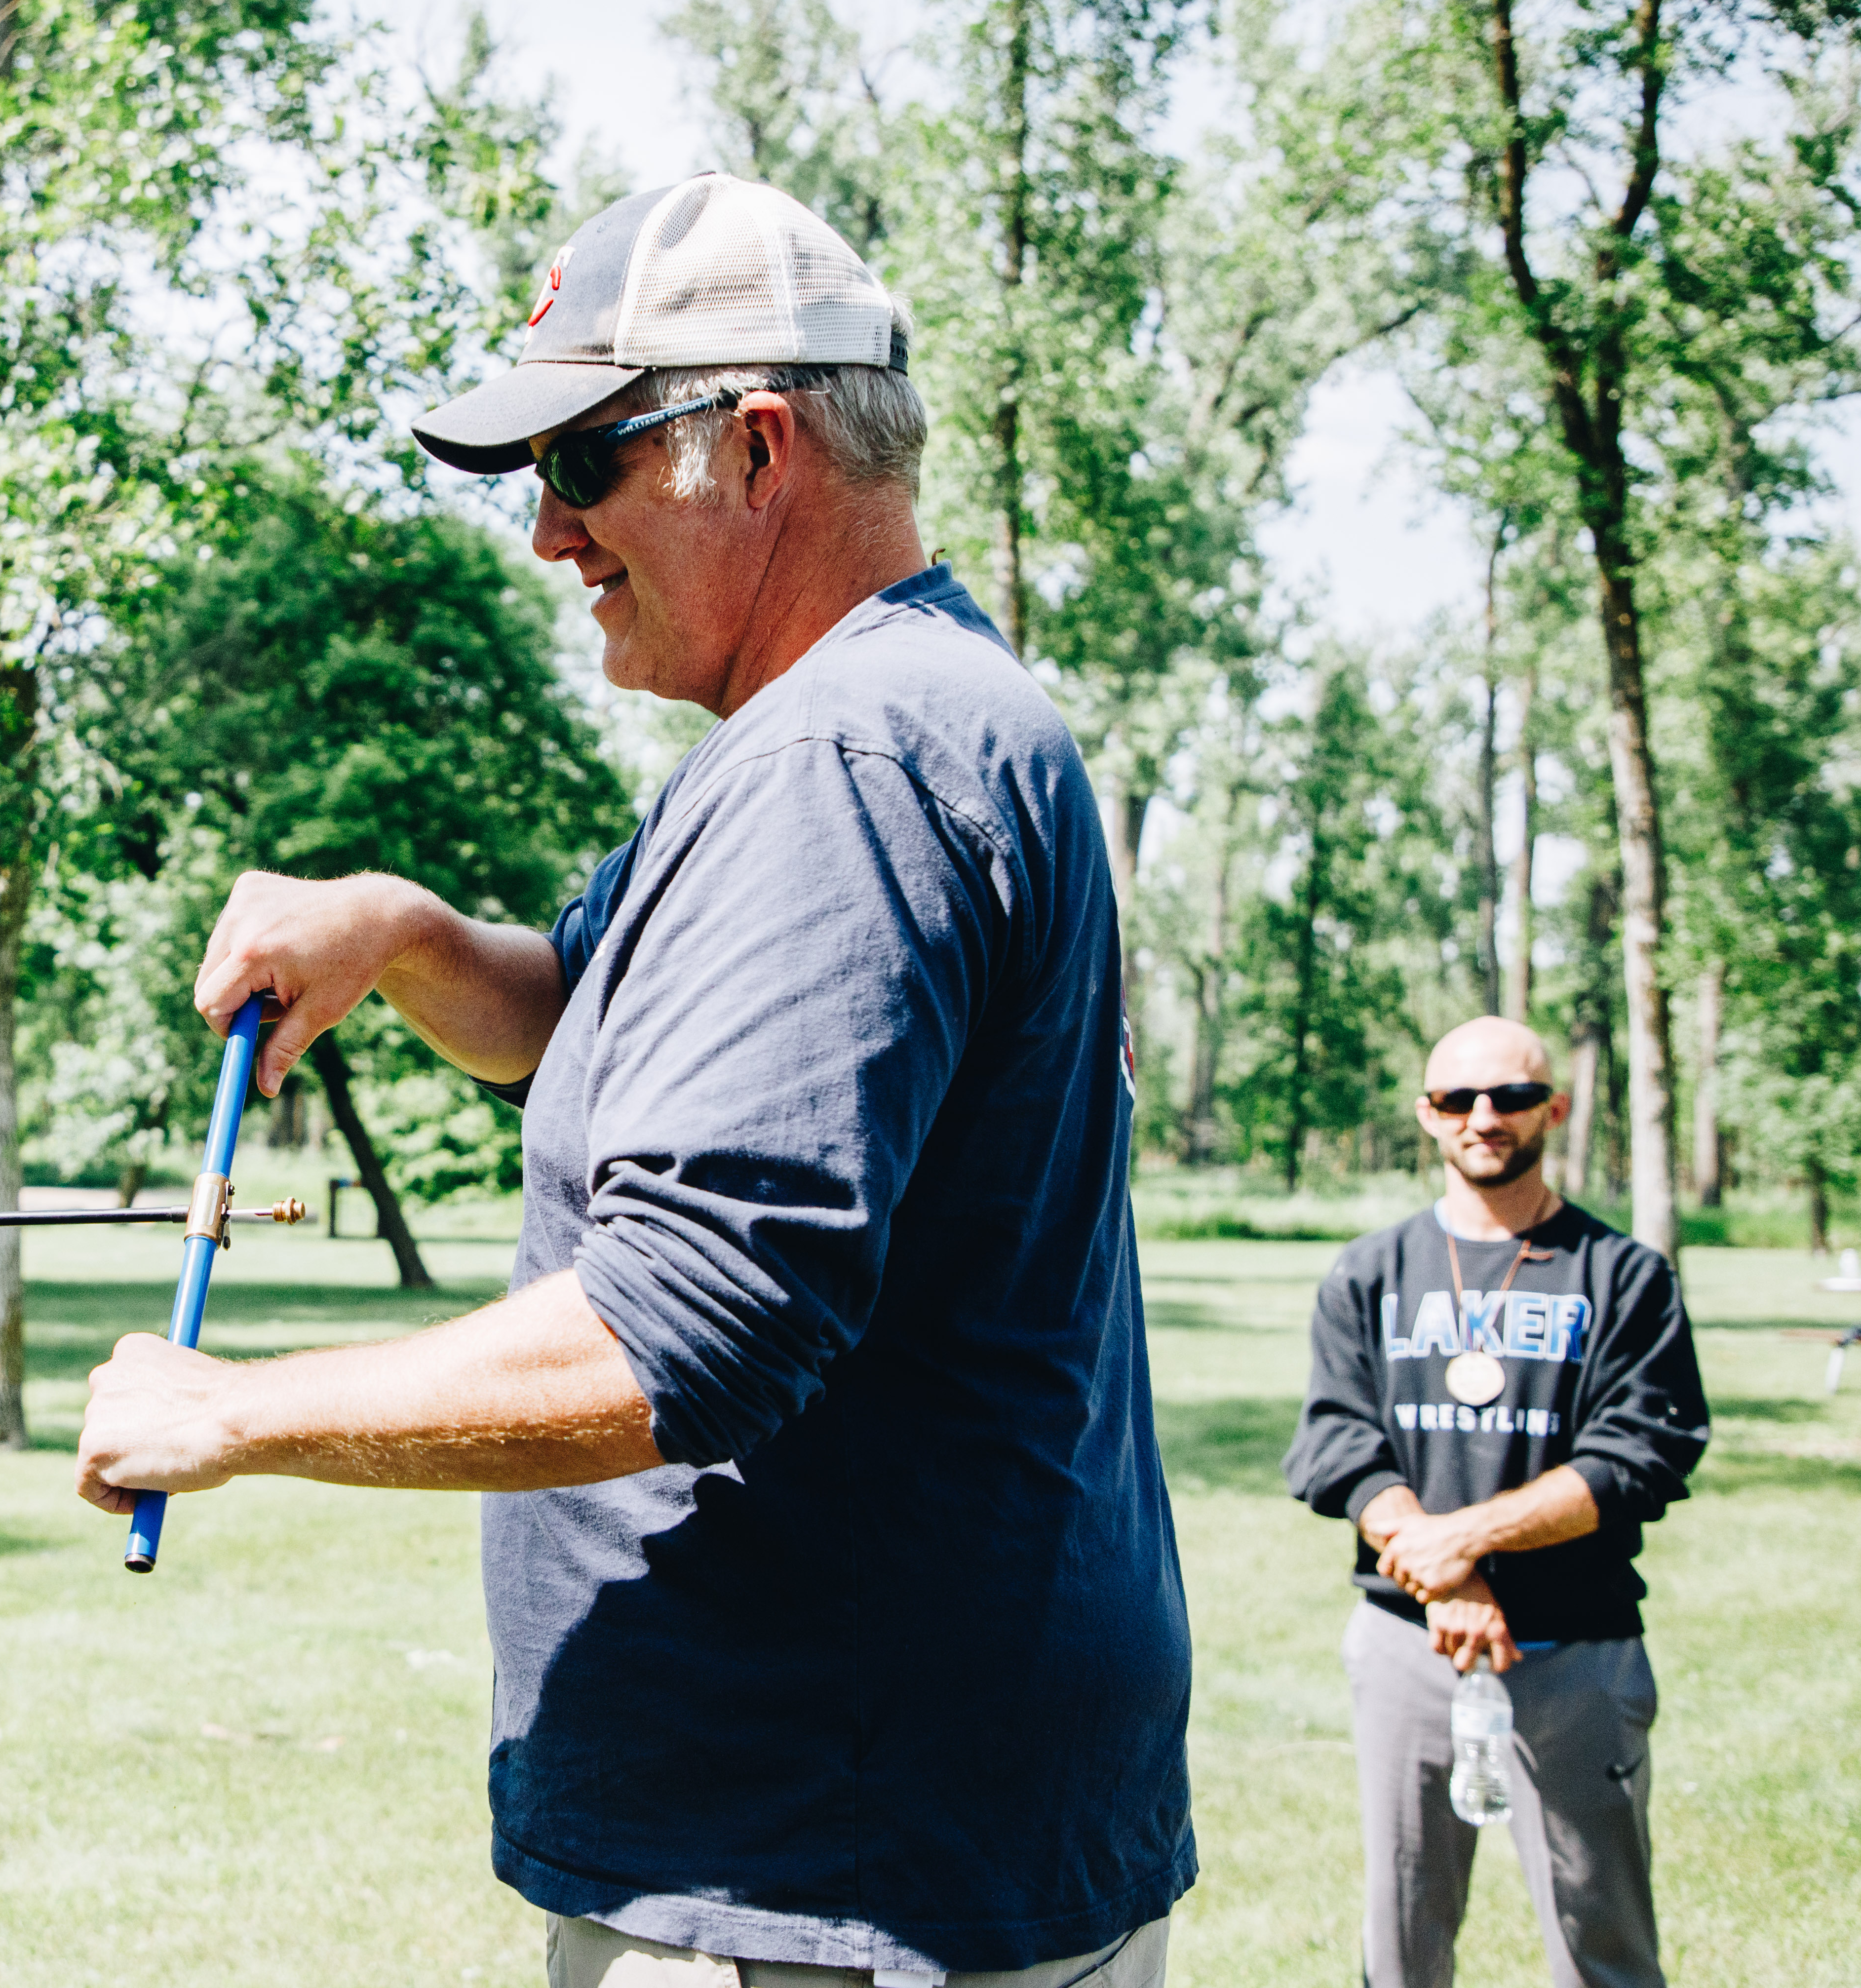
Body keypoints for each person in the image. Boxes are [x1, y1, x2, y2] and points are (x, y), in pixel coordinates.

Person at [76, 172, 1193, 1987]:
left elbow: (687, 1333)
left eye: (582, 465)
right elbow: (589, 1024)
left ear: (756, 448)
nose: (544, 535)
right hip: (880, 1841)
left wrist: (237, 1409)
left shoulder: (846, 763)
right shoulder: (883, 717)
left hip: (822, 1883)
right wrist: (408, 933)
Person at [1282, 1015, 1709, 1988]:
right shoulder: (1367, 1272)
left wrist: (1458, 1547)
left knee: (1600, 1936)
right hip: (1405, 1649)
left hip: (1572, 1656)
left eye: (1511, 1097)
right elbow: (1335, 1444)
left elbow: (1637, 1455)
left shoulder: (1622, 1277)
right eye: (1456, 1100)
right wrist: (1442, 1584)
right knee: (1401, 1939)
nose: (1484, 1117)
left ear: (1552, 1109)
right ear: (1425, 1117)